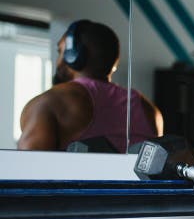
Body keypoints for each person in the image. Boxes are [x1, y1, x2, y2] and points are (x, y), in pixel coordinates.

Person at [17, 20, 162, 152]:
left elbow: (26, 170)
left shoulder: (48, 102)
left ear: (73, 55)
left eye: (60, 51)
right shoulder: (149, 110)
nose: (58, 59)